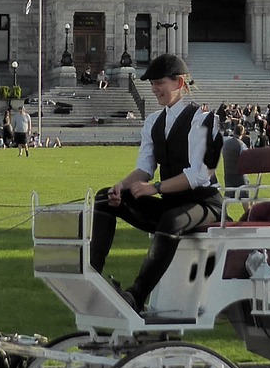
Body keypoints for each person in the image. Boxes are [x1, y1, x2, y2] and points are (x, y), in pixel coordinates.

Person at [91, 54, 223, 315]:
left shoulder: (204, 120)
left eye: (159, 82)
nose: (154, 89)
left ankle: (137, 295)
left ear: (179, 82)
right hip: (172, 205)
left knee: (171, 220)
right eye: (152, 84)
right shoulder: (153, 122)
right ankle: (92, 275)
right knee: (104, 198)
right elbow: (144, 169)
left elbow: (199, 175)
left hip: (204, 204)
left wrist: (157, 188)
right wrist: (121, 187)